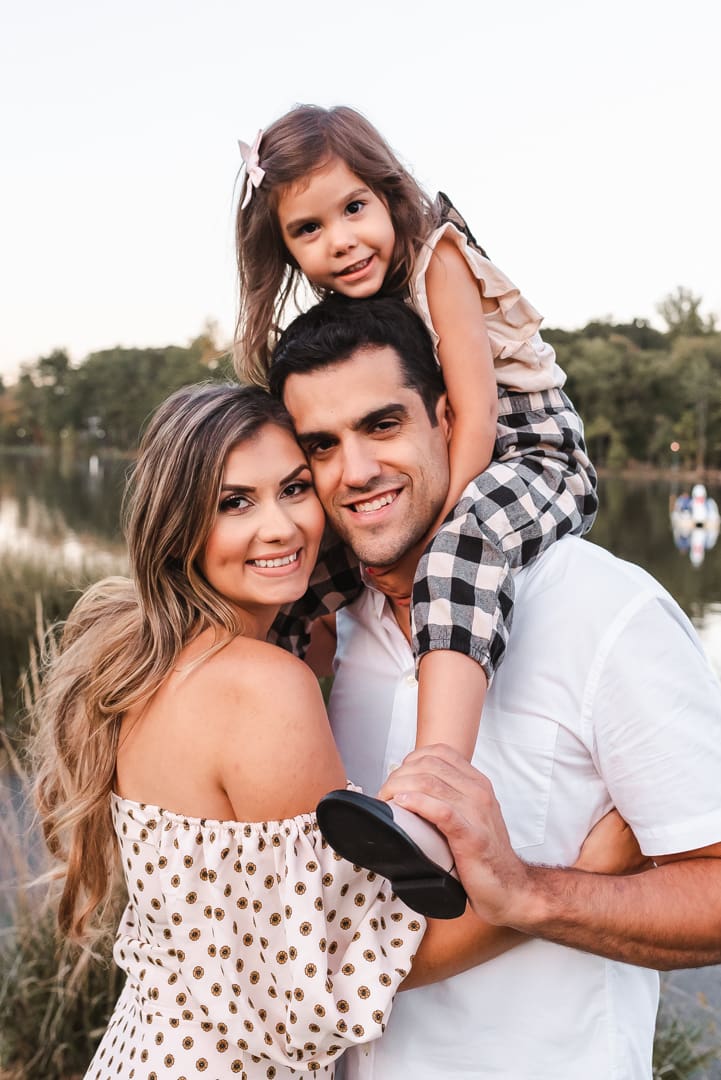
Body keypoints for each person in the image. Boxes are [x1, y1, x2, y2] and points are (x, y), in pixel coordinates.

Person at [32, 382, 629, 1079]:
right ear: (177, 526)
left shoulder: (155, 662)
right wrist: (582, 875)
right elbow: (336, 978)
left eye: (294, 489)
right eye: (234, 503)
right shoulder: (261, 684)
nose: (281, 527)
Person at [269, 294, 721, 1080]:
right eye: (322, 445)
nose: (357, 471)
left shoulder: (604, 611)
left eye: (383, 425)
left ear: (449, 418)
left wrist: (531, 894)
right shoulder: (320, 633)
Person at [233, 105, 598, 825]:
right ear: (284, 249)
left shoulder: (439, 260)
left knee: (458, 552)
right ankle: (254, 748)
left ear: (389, 191)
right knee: (301, 576)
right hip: (459, 462)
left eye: (354, 208)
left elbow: (475, 415)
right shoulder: (352, 312)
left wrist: (431, 535)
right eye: (308, 229)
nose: (340, 241)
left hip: (534, 454)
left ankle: (436, 788)